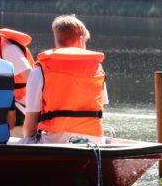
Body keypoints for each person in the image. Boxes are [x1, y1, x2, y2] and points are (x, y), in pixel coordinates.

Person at [21, 15, 108, 144]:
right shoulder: (97, 68)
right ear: (81, 40)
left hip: (54, 142)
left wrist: (28, 141)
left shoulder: (40, 71)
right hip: (94, 141)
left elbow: (31, 124)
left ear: (56, 40)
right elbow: (102, 106)